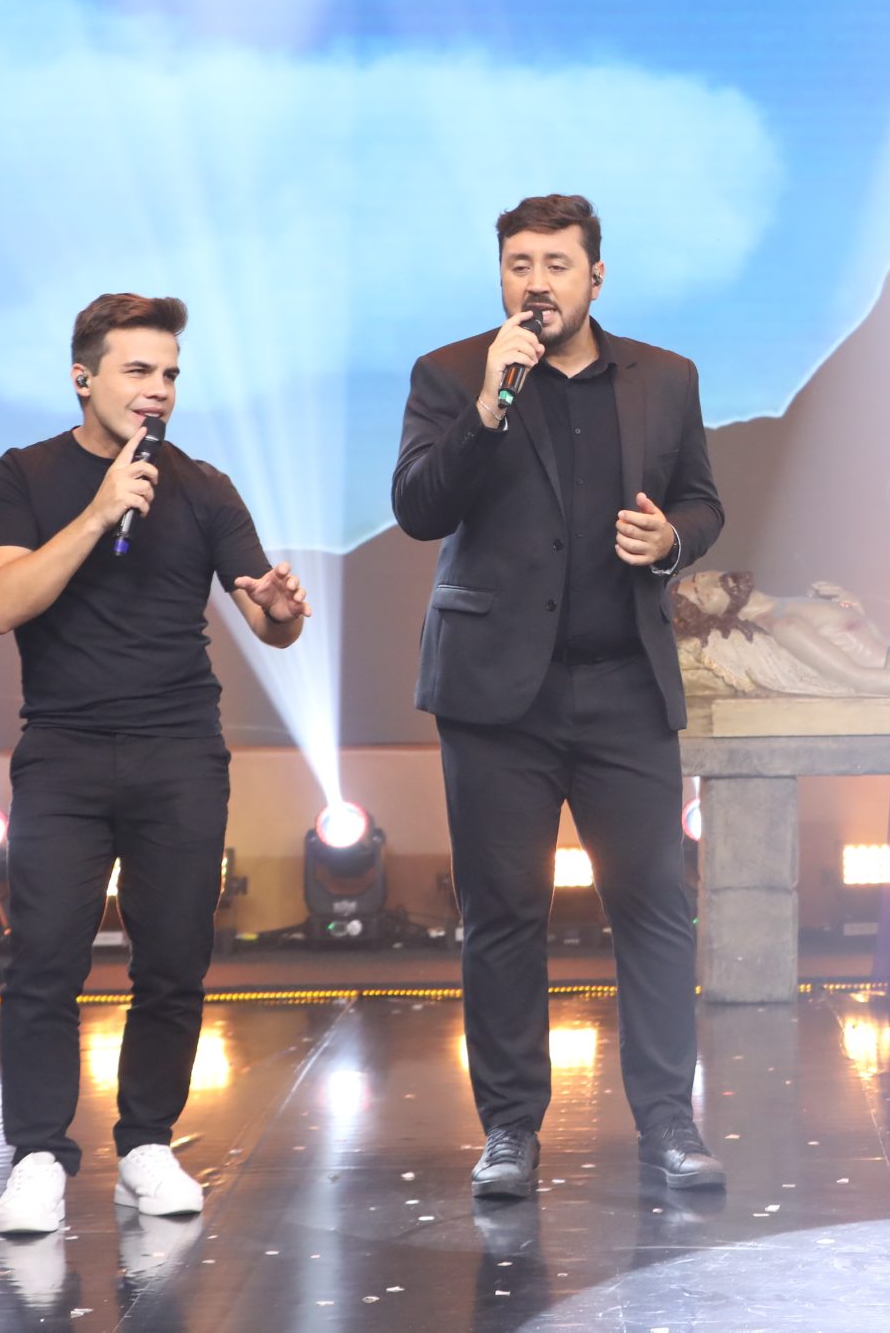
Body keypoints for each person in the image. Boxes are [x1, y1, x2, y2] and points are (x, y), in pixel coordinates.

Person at [392, 194, 726, 1197]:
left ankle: (668, 1120)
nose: (535, 283)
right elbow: (418, 507)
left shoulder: (666, 377)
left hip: (624, 682)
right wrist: (490, 408)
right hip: (497, 695)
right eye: (518, 265)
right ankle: (509, 1129)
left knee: (655, 907)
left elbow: (702, 499)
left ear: (596, 276)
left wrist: (671, 541)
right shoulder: (453, 373)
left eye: (556, 264)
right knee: (503, 913)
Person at [0, 294, 310, 1234]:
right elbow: (1, 603)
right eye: (137, 370)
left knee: (173, 961)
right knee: (45, 959)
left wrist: (280, 607)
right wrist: (98, 513)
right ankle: (37, 1154)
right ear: (83, 377)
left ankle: (147, 1143)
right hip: (64, 751)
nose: (157, 388)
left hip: (179, 750)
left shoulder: (202, 486)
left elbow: (268, 622)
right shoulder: (24, 474)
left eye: (169, 373)